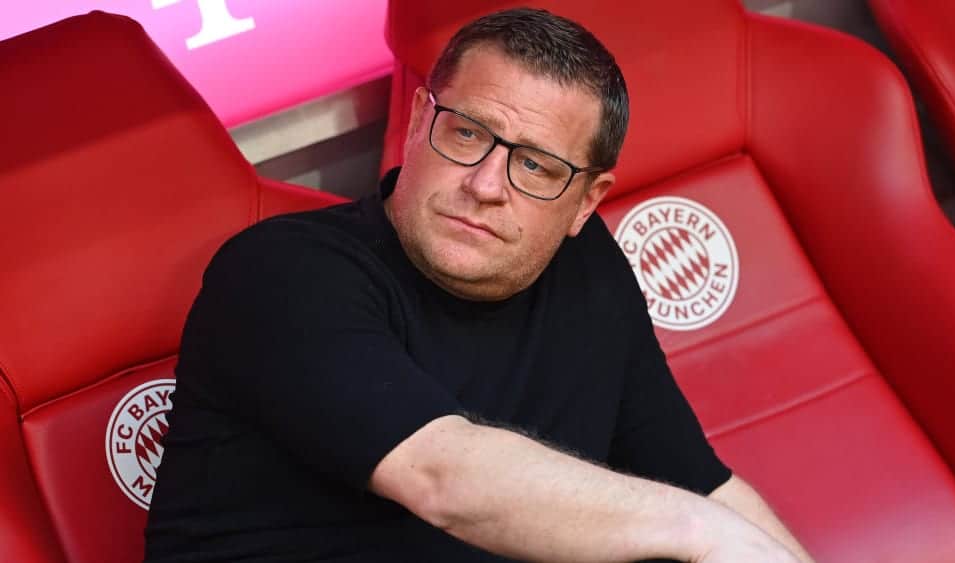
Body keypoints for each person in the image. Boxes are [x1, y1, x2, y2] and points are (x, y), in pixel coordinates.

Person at [145, 8, 814, 563]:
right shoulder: (283, 273)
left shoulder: (585, 269)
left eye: (537, 166)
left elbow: (705, 486)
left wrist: (734, 534)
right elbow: (445, 477)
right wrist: (697, 530)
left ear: (586, 201)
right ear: (418, 121)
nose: (486, 185)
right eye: (467, 134)